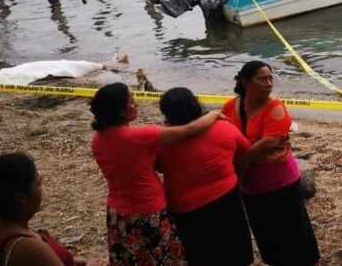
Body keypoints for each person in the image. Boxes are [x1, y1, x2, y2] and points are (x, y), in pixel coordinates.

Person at [89, 82, 221, 265]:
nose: (136, 103)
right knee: (160, 257)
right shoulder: (140, 137)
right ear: (119, 111)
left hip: (117, 211)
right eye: (131, 102)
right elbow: (190, 130)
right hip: (148, 208)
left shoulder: (98, 139)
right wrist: (215, 114)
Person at [224, 61, 320, 266]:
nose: (269, 83)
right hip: (250, 184)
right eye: (262, 79)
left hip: (281, 182)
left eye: (270, 78)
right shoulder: (231, 106)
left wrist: (241, 158)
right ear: (245, 82)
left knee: (293, 229)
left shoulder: (275, 106)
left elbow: (272, 141)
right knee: (265, 229)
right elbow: (223, 132)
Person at [156, 88, 255, 266]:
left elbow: (159, 167)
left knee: (200, 253)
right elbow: (246, 150)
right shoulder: (224, 127)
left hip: (186, 206)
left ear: (167, 113)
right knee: (234, 249)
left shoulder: (163, 141)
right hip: (226, 196)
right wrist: (237, 174)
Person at [0, 153, 103, 266]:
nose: (41, 190)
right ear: (21, 198)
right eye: (38, 184)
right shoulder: (26, 247)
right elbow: (31, 256)